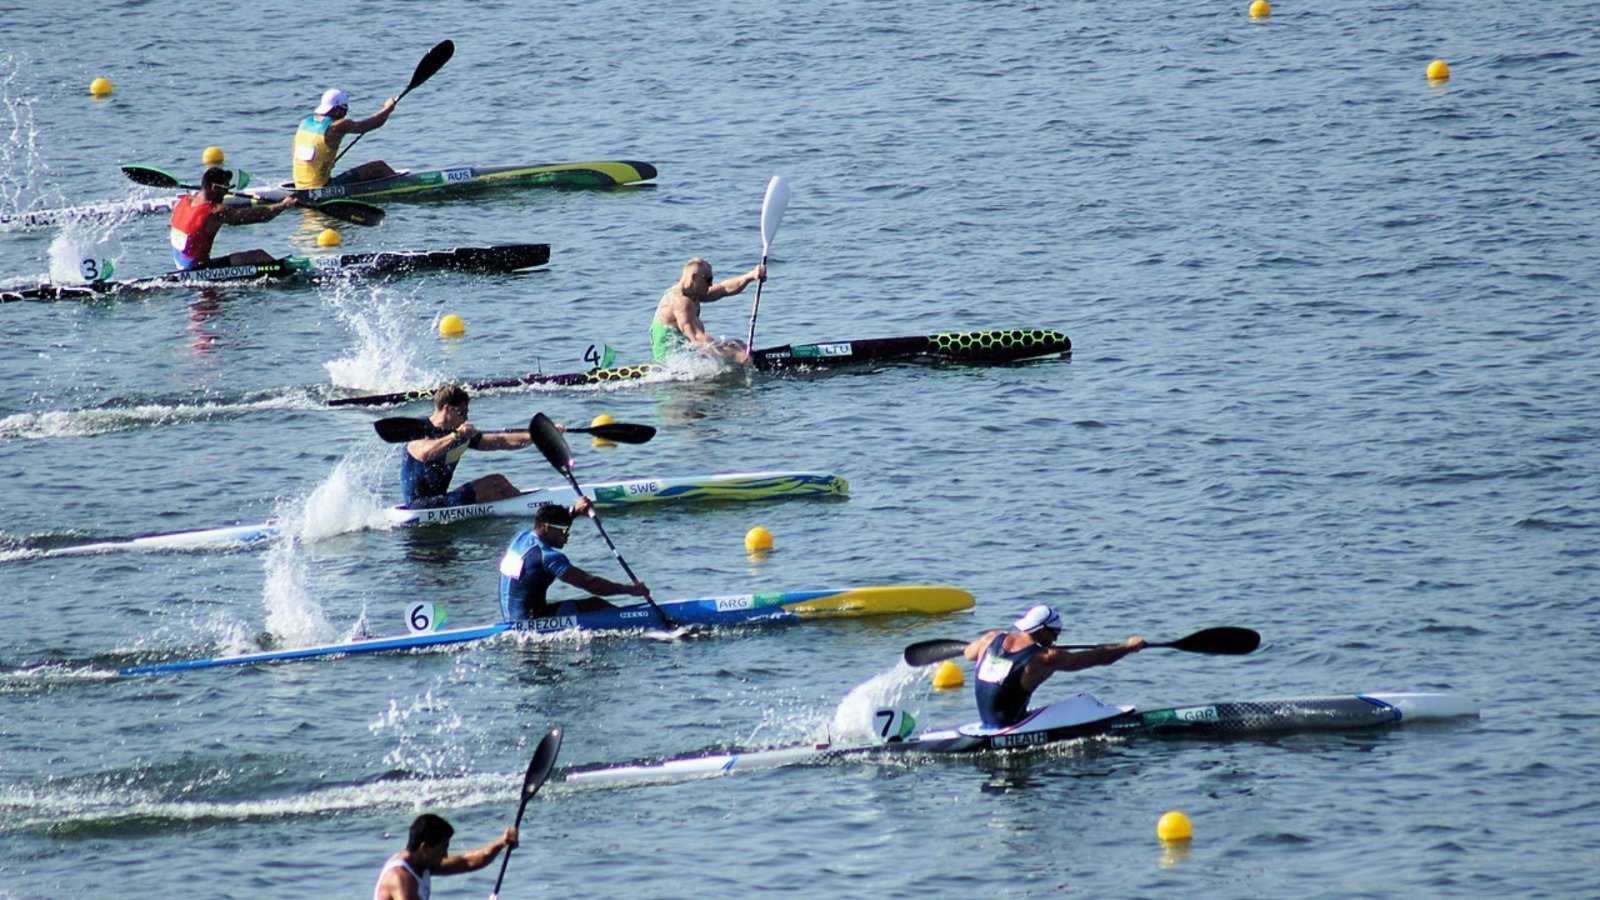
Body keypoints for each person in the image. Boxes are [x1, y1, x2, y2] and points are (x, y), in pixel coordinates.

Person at [962, 604, 1145, 729]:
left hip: (987, 724)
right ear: (1042, 630)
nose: (1056, 639)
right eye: (1055, 633)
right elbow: (1097, 658)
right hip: (1013, 726)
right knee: (1082, 700)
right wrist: (1128, 647)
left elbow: (968, 653)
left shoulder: (990, 638)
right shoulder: (1044, 658)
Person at [499, 500, 650, 620]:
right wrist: (630, 590)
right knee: (595, 604)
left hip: (511, 619)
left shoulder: (520, 538)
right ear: (547, 528)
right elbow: (590, 584)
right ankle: (638, 620)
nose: (568, 535)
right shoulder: (548, 557)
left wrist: (575, 511)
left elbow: (553, 523)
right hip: (533, 623)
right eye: (564, 530)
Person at [399, 385, 534, 509]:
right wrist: (456, 435)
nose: (465, 418)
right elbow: (424, 454)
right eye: (462, 413)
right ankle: (529, 507)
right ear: (447, 409)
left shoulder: (458, 433)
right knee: (496, 482)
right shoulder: (418, 428)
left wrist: (537, 436)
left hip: (442, 500)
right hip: (418, 506)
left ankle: (521, 508)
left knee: (497, 492)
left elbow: (501, 440)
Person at [168, 167, 296, 270]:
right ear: (214, 188)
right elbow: (259, 216)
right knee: (259, 256)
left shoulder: (182, 201)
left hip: (182, 267)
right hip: (199, 270)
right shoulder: (214, 211)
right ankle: (288, 275)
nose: (227, 193)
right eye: (226, 189)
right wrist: (283, 205)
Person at [373, 813, 517, 900]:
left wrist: (501, 842)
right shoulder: (400, 878)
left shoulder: (422, 863)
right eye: (443, 849)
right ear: (425, 848)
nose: (446, 855)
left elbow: (468, 862)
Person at [650, 257, 766, 363]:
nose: (710, 285)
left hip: (687, 352)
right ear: (694, 278)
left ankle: (751, 359)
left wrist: (751, 276)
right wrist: (735, 356)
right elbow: (697, 338)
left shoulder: (694, 292)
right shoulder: (680, 302)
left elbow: (724, 288)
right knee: (732, 352)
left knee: (738, 344)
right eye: (708, 280)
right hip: (671, 360)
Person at [294, 87, 399, 189]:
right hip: (322, 188)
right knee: (379, 167)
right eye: (345, 108)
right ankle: (403, 186)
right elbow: (372, 124)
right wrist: (388, 108)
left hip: (300, 186)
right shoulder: (337, 126)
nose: (346, 113)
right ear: (338, 110)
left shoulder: (304, 123)